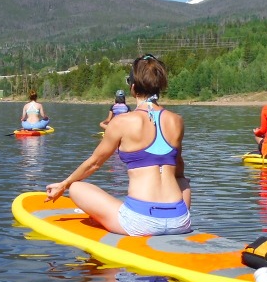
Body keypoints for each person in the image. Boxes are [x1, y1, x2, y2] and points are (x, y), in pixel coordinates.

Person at [45, 54, 191, 236]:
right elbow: (179, 168)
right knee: (182, 180)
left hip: (141, 222)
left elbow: (95, 163)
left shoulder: (122, 122)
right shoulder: (177, 121)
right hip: (180, 220)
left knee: (76, 188)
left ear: (133, 87)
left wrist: (64, 184)